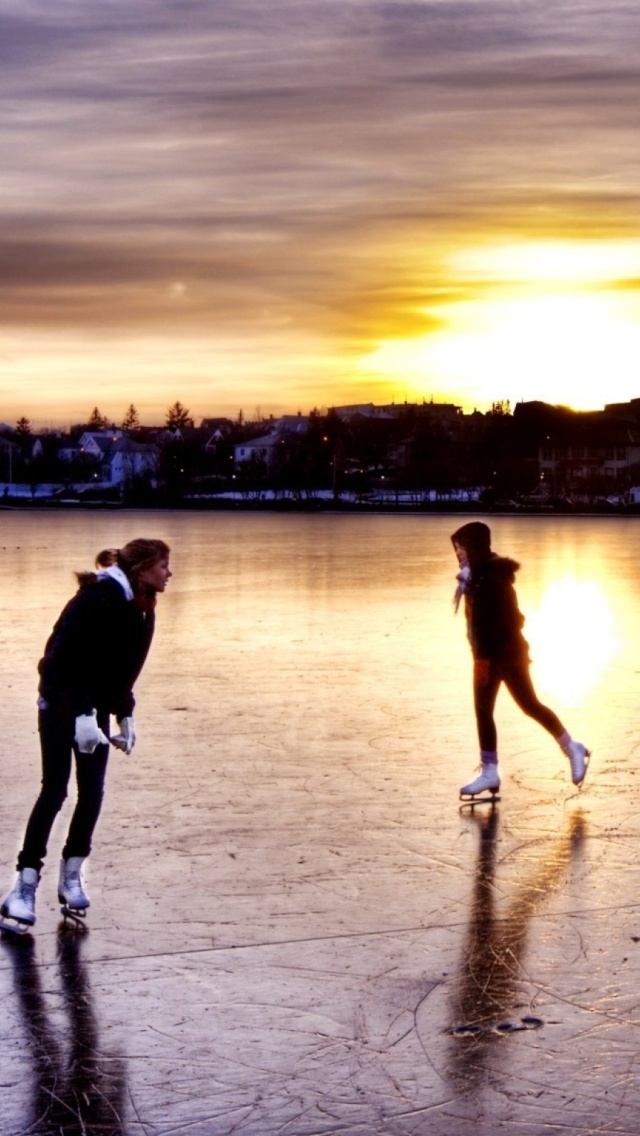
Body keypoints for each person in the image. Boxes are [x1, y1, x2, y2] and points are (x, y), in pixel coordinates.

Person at [0, 538, 171, 933]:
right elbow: (55, 664)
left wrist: (124, 714)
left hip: (95, 708)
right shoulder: (94, 600)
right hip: (60, 704)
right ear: (142, 568)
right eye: (163, 565)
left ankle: (72, 873)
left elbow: (121, 670)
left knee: (92, 792)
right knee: (55, 791)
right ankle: (23, 887)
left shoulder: (143, 609)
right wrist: (80, 715)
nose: (169, 573)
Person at [451, 521, 589, 799]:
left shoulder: (492, 579)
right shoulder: (474, 577)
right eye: (457, 550)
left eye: (462, 549)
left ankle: (572, 747)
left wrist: (487, 657)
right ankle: (490, 771)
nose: (459, 555)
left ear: (476, 548)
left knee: (529, 705)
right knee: (484, 711)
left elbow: (512, 619)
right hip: (487, 656)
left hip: (506, 656)